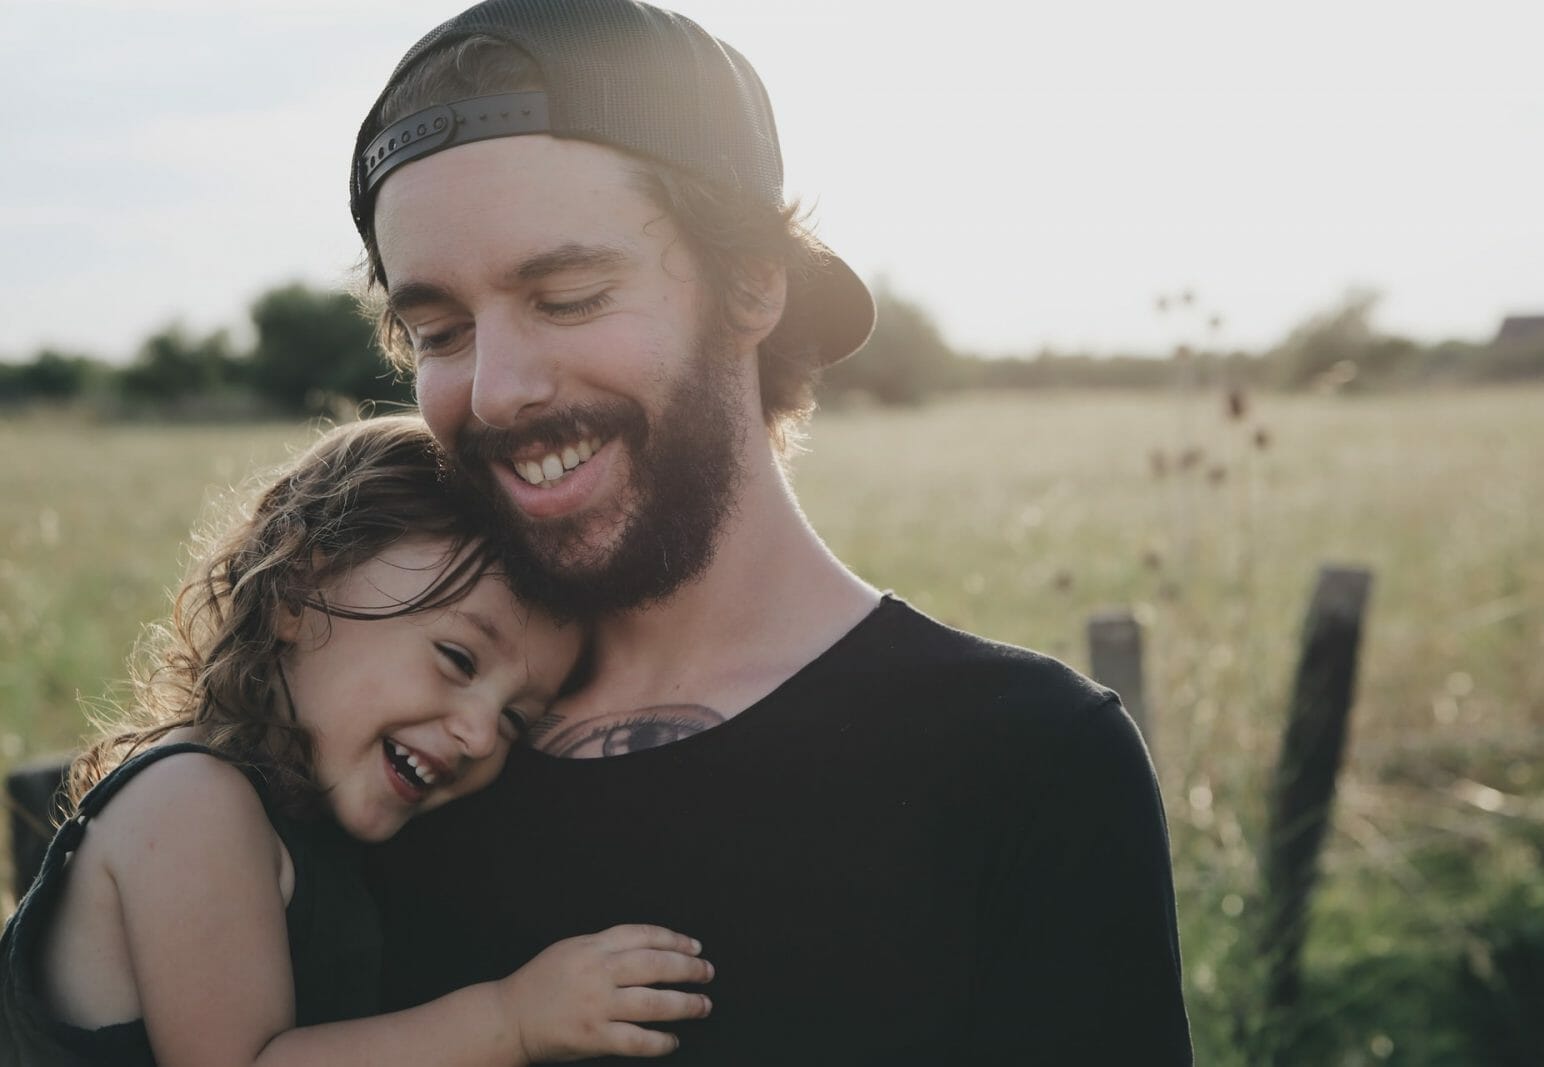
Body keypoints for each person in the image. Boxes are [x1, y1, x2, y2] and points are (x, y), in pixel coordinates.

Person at [354, 2, 1193, 1062]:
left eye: (567, 296)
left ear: (751, 284)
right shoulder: (394, 749)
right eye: (439, 332)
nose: (498, 389)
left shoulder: (1025, 763)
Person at [0, 415, 715, 1066]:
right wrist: (512, 1019)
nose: (475, 733)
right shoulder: (191, 803)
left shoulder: (310, 826)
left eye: (513, 720)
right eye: (458, 659)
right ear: (296, 590)